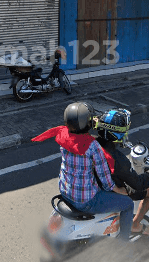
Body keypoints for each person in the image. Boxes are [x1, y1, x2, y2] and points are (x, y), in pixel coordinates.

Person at [32, 102, 135, 241]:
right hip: (85, 201)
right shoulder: (93, 147)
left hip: (65, 191)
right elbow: (106, 181)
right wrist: (120, 190)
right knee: (128, 204)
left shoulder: (63, 135)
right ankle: (124, 243)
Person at [94, 108, 149, 235]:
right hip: (110, 190)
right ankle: (134, 224)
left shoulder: (91, 144)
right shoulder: (118, 160)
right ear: (118, 134)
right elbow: (138, 183)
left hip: (94, 185)